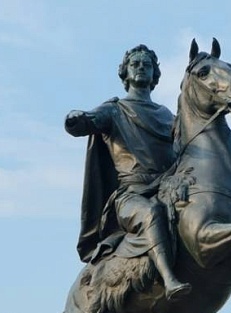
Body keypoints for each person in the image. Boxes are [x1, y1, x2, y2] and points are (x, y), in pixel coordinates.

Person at [67, 44, 191, 300]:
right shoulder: (115, 109)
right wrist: (76, 118)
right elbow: (86, 122)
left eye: (147, 65)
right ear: (125, 73)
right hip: (131, 196)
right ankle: (169, 279)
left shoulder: (167, 115)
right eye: (135, 64)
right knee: (150, 214)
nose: (141, 67)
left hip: (165, 189)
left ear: (155, 74)